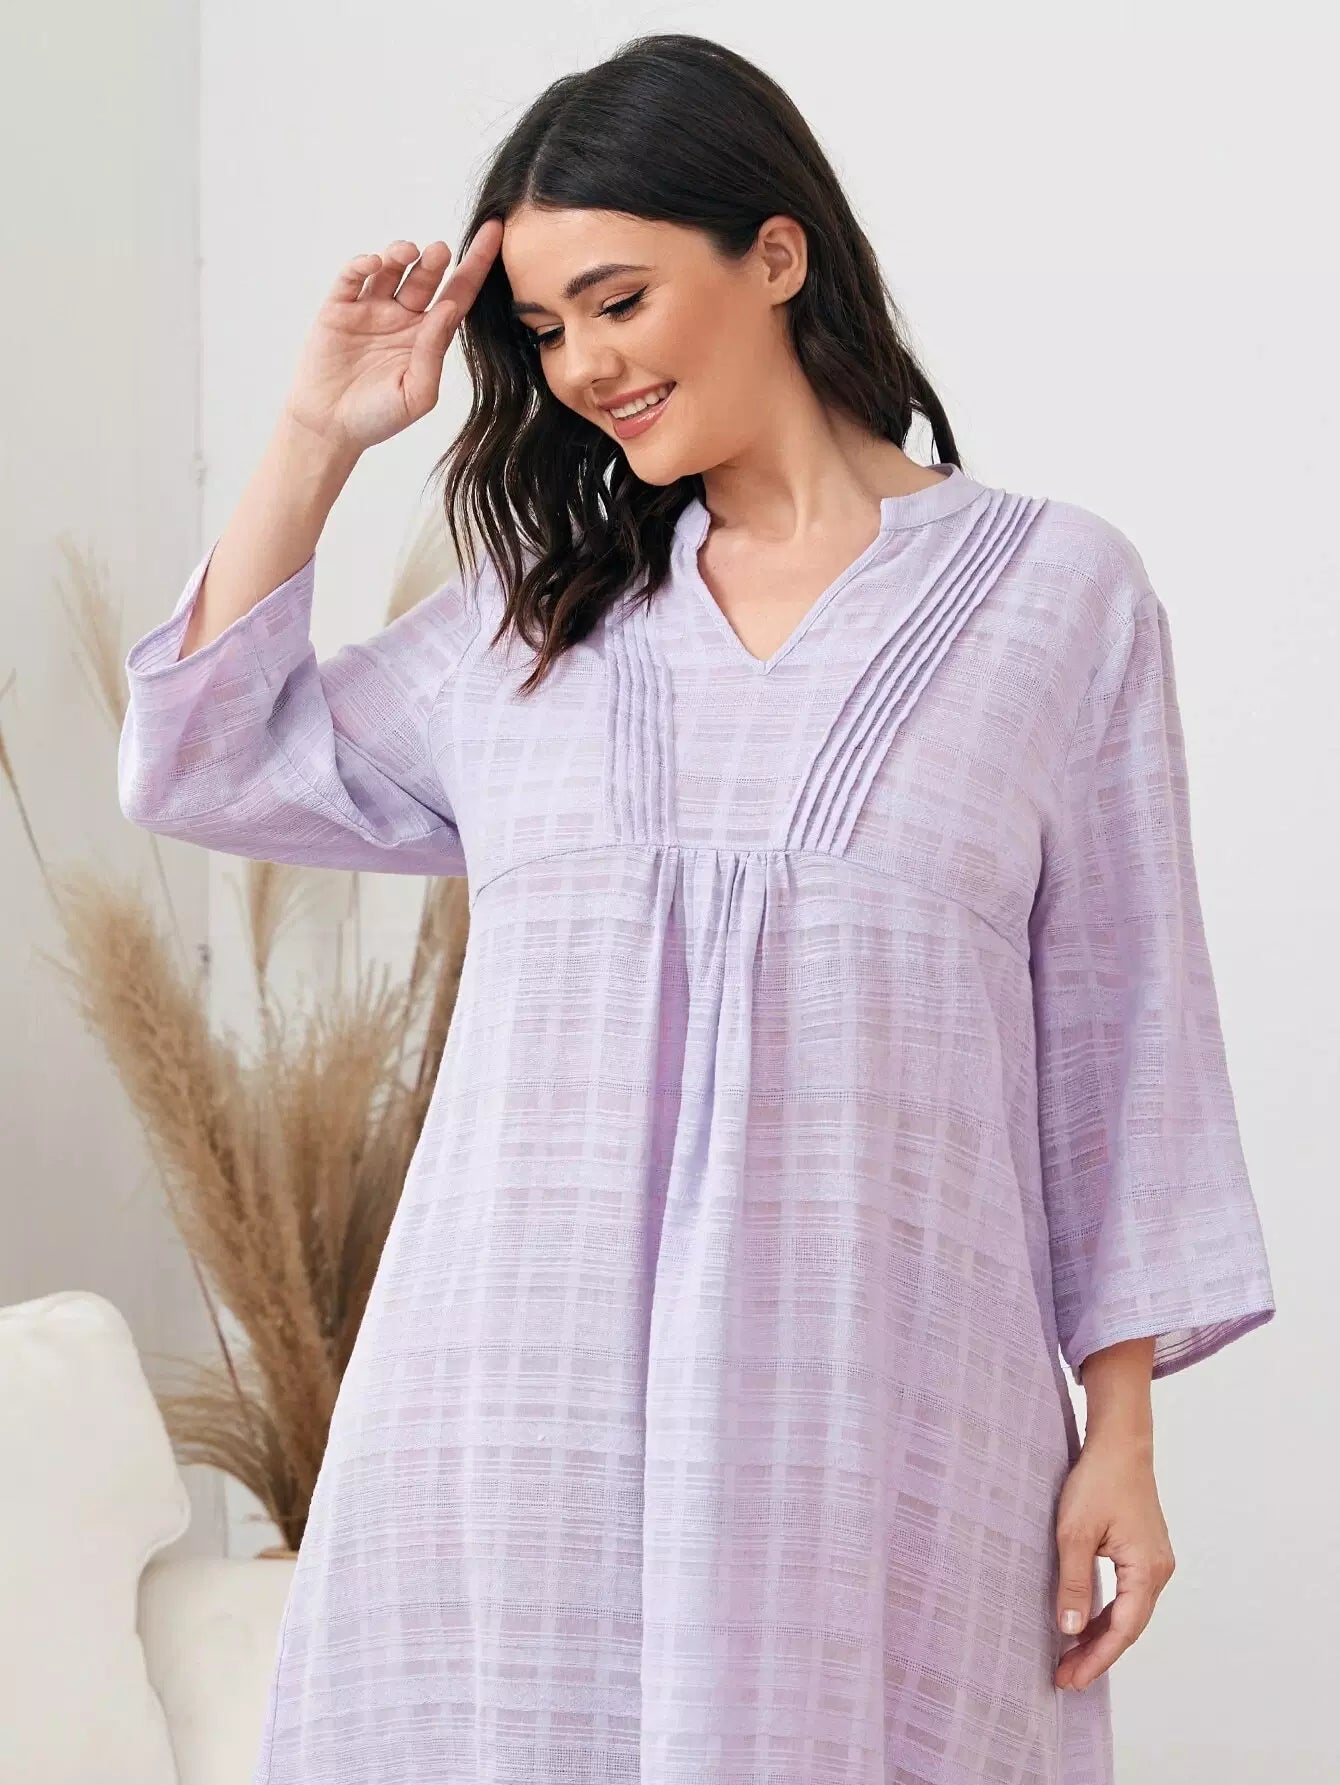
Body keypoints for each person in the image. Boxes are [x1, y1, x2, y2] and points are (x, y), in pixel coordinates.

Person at [117, 30, 1276, 1785]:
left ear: (776, 254)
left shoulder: (1059, 597)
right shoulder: (536, 621)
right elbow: (200, 762)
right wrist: (315, 432)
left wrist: (1121, 1432)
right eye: (544, 329)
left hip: (882, 1410)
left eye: (619, 300)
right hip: (518, 1414)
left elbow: (1125, 1040)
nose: (582, 365)